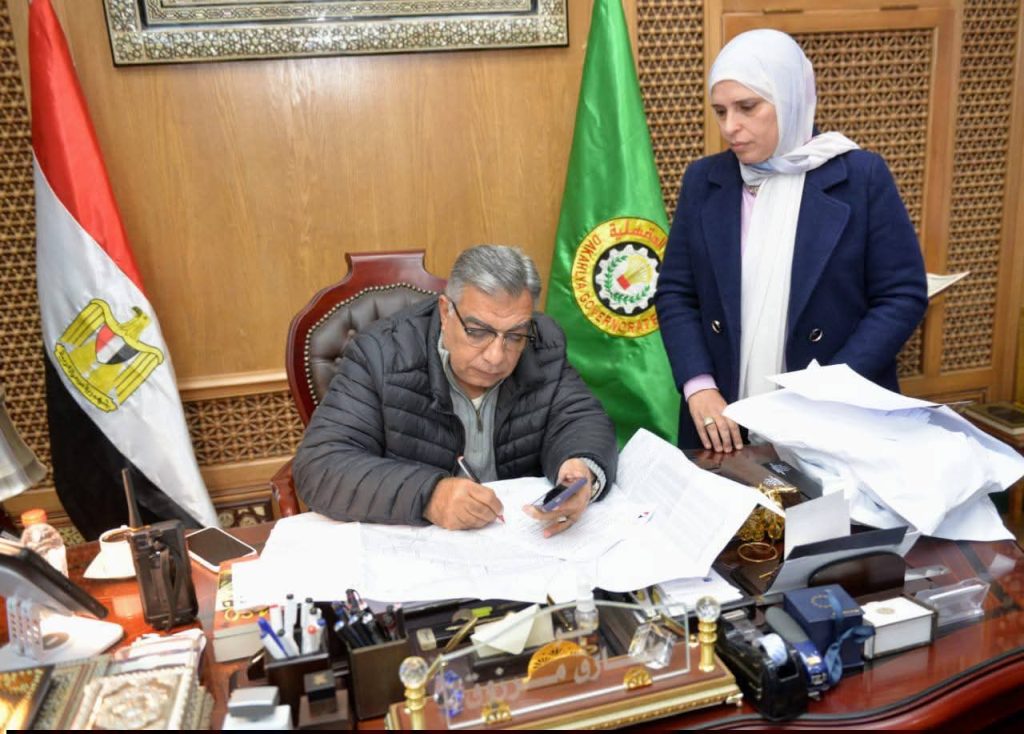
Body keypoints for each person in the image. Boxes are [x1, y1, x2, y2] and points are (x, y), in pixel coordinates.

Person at [654, 29, 927, 452]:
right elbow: (676, 292)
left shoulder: (860, 177)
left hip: (837, 416)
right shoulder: (703, 181)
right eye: (720, 111)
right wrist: (698, 384)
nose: (730, 127)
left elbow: (902, 295)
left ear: (789, 98)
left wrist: (831, 389)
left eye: (747, 107)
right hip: (724, 421)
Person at [293, 245, 617, 535]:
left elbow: (580, 417)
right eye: (477, 331)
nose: (496, 356)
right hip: (420, 549)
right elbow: (321, 466)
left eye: (515, 336)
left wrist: (580, 467)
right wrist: (429, 496)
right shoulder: (381, 354)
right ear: (446, 311)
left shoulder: (543, 342)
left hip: (517, 540)